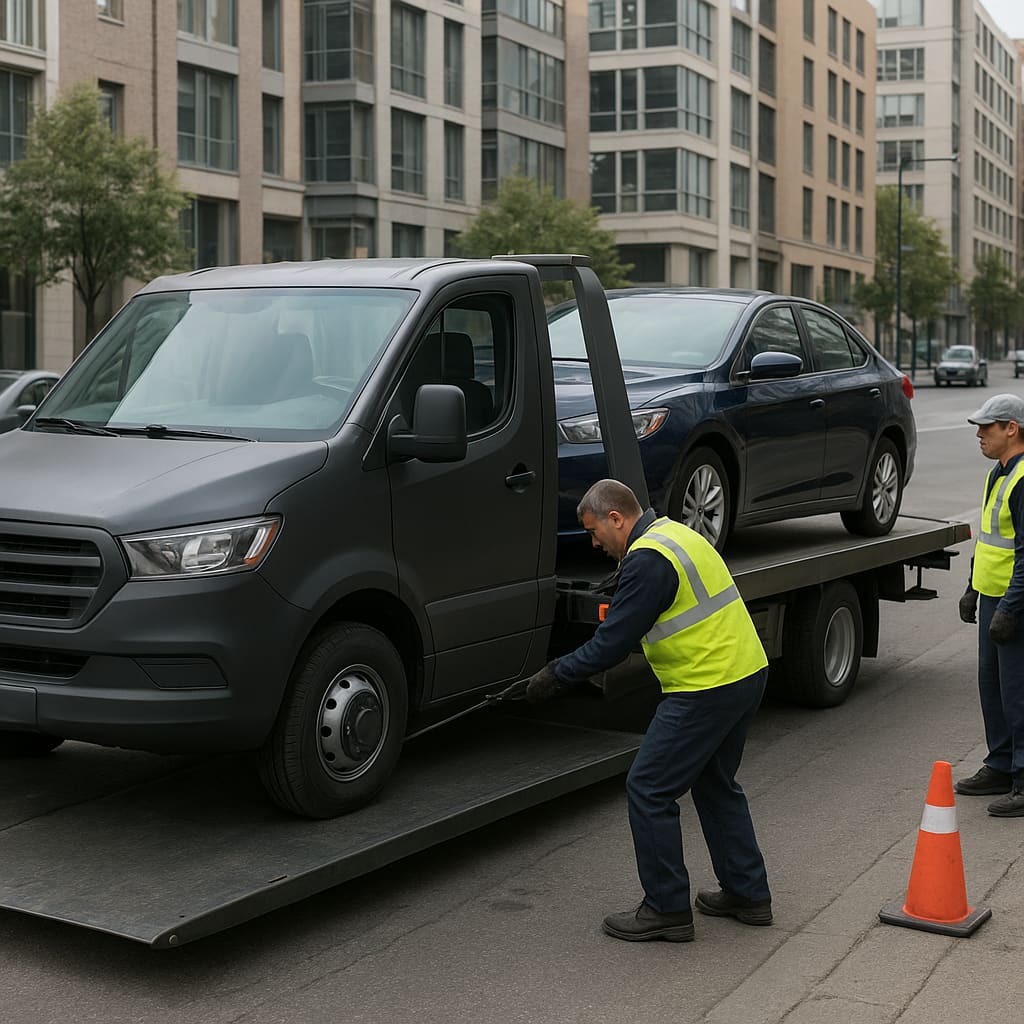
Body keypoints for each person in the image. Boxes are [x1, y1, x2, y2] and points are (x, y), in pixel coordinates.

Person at [525, 478, 771, 942]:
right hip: (744, 672)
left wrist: (555, 674)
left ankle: (666, 908)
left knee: (649, 787)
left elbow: (612, 644)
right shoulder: (676, 535)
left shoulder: (649, 560)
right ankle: (749, 893)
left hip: (707, 685)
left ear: (617, 518)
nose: (595, 543)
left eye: (596, 532)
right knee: (716, 784)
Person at [955, 393, 1024, 817]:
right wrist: (971, 588)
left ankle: (1022, 776)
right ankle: (1000, 765)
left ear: (1011, 429)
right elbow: (989, 538)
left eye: (987, 426)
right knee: (992, 687)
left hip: (1015, 603)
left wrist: (1010, 609)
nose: (979, 434)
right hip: (992, 598)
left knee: (1017, 693)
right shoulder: (997, 474)